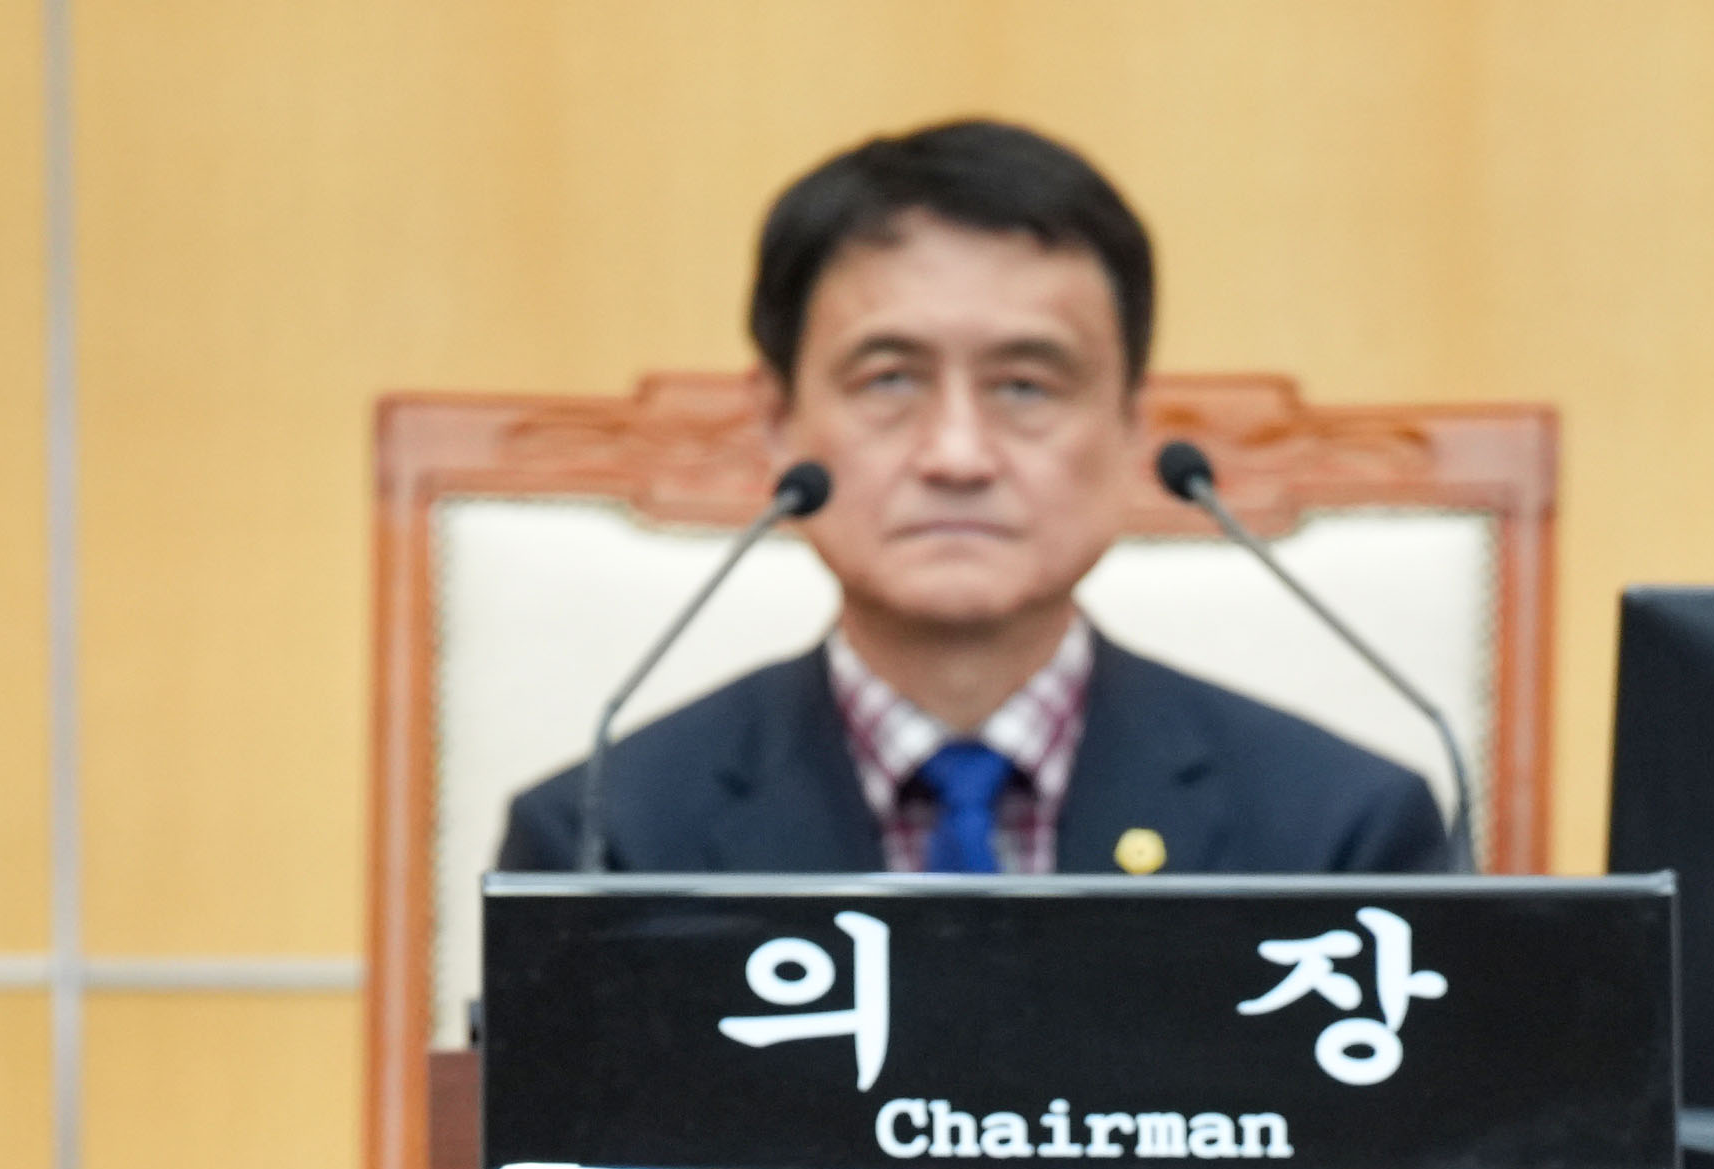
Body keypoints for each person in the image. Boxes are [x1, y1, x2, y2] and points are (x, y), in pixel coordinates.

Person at [499, 121, 1451, 885]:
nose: (957, 455)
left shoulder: (1341, 834)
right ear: (779, 422)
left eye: (1026, 387)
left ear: (1131, 425)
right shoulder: (605, 840)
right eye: (888, 380)